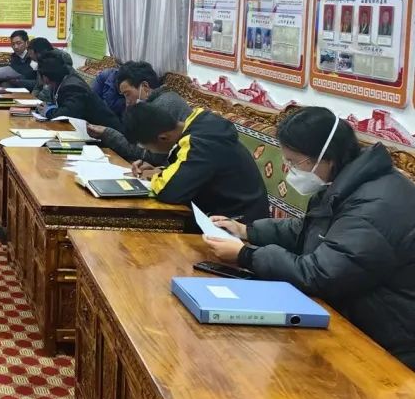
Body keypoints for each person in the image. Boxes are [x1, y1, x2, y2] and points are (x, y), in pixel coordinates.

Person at [205, 108, 415, 368]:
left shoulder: (375, 207)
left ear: (326, 158)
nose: (290, 170)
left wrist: (246, 255)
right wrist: (247, 231)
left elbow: (319, 275)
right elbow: (311, 229)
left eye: (295, 163)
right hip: (352, 313)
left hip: (386, 342)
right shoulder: (348, 183)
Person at [122, 103, 269, 224]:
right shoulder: (198, 125)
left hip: (241, 223)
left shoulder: (198, 143)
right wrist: (161, 171)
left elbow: (170, 191)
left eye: (148, 149)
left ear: (163, 138)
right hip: (225, 212)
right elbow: (195, 168)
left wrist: (157, 177)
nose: (148, 153)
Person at [87, 61, 190, 163]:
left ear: (145, 87)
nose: (127, 102)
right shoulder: (162, 99)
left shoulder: (162, 106)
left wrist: (107, 134)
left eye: (127, 94)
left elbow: (153, 157)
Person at [36, 56, 123, 130]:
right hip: (88, 129)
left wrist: (48, 111)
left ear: (45, 77)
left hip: (106, 133)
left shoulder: (73, 87)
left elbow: (66, 114)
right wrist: (47, 107)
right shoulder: (59, 83)